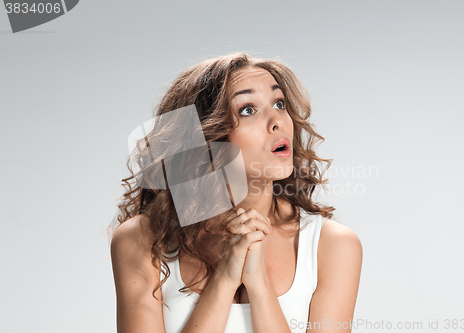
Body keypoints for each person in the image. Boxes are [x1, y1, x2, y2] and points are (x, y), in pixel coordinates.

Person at [109, 53, 362, 333]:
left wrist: (259, 285)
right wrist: (225, 279)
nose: (277, 121)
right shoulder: (142, 239)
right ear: (207, 135)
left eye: (279, 103)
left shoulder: (332, 245)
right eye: (248, 110)